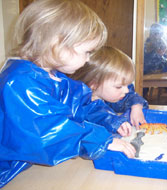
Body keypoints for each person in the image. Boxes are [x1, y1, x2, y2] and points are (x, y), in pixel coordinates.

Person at [0, 0, 135, 188]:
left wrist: (112, 121)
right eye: (87, 52)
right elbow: (47, 132)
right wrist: (100, 140)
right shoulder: (19, 82)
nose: (88, 59)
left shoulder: (55, 78)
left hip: (24, 167)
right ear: (56, 43)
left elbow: (84, 104)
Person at [70, 46, 148, 133]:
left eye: (127, 85)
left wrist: (136, 106)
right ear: (94, 84)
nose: (126, 90)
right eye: (119, 87)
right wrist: (115, 122)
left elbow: (128, 97)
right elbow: (96, 114)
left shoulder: (108, 95)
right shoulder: (80, 103)